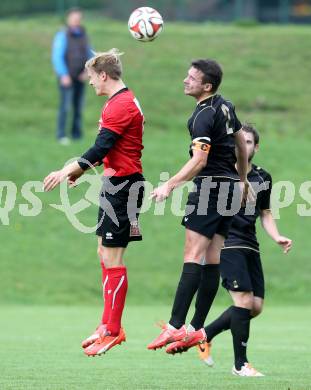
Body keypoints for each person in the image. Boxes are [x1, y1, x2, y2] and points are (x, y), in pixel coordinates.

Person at [167, 125, 292, 377]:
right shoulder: (219, 174)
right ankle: (240, 364)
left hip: (251, 246)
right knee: (243, 302)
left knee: (254, 306)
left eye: (247, 142)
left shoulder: (262, 177)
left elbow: (265, 213)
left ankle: (204, 335)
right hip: (227, 243)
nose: (241, 146)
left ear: (255, 148)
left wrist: (277, 236)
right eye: (238, 142)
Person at [44, 49, 145, 356]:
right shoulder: (117, 102)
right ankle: (106, 325)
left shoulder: (121, 105)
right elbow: (109, 150)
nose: (89, 83)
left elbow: (101, 146)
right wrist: (82, 171)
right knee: (103, 251)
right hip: (115, 182)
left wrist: (67, 170)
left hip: (124, 186)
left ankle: (113, 331)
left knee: (114, 258)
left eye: (91, 77)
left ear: (103, 75)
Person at [147, 59, 252, 351]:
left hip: (211, 188)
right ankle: (195, 328)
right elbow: (241, 144)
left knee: (193, 255)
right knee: (213, 258)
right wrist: (242, 180)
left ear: (206, 86)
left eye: (191, 78)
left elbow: (200, 161)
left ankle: (174, 326)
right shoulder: (226, 105)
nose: (185, 80)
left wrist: (169, 185)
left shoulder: (201, 117)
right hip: (230, 188)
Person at [52, 7, 93, 144]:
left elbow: (90, 55)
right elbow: (57, 57)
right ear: (68, 19)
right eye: (74, 18)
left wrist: (87, 72)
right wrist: (63, 74)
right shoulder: (62, 35)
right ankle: (61, 135)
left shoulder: (84, 35)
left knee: (78, 107)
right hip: (67, 78)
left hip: (80, 77)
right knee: (65, 107)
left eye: (79, 18)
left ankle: (76, 135)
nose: (76, 21)